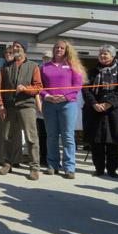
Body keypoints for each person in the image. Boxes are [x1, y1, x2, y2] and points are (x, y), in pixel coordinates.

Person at [0, 40, 42, 180]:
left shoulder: (33, 66)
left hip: (27, 106)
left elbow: (38, 87)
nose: (15, 49)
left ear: (24, 49)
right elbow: (0, 89)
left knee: (31, 138)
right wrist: (1, 105)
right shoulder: (6, 66)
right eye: (14, 46)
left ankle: (34, 167)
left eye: (18, 46)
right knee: (7, 137)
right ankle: (8, 163)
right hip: (9, 106)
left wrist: (26, 89)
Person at [40, 40, 85, 179]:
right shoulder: (44, 67)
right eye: (56, 47)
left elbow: (77, 86)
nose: (58, 49)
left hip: (67, 105)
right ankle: (53, 165)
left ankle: (69, 167)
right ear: (53, 50)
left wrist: (65, 97)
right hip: (49, 105)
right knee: (52, 136)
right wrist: (47, 96)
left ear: (66, 50)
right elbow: (39, 86)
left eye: (61, 48)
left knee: (68, 136)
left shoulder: (72, 66)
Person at [82, 45, 118, 178]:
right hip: (95, 111)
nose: (102, 56)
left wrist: (108, 104)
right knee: (97, 142)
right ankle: (99, 169)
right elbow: (86, 90)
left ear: (112, 56)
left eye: (106, 53)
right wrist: (94, 103)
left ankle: (112, 169)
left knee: (113, 142)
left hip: (113, 111)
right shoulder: (92, 71)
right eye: (101, 53)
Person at [0, 45, 15, 165]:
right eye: (6, 53)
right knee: (4, 134)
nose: (8, 54)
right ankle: (3, 159)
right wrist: (1, 104)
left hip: (18, 105)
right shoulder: (1, 69)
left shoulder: (20, 67)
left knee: (16, 134)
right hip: (5, 105)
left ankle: (16, 160)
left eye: (11, 52)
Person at [37, 50, 52, 166]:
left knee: (53, 135)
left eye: (49, 58)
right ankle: (43, 159)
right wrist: (39, 105)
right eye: (45, 58)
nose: (47, 60)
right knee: (42, 135)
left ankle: (52, 159)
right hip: (41, 108)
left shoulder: (55, 70)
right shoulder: (39, 70)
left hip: (53, 106)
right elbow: (37, 90)